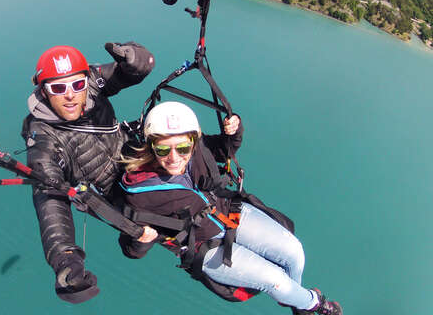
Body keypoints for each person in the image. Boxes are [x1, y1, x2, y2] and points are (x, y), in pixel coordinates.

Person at [116, 101, 342, 315]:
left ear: (193, 142)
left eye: (183, 148)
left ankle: (294, 299)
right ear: (151, 146)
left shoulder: (199, 151)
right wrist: (141, 241)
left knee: (294, 252)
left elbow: (225, 150)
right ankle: (313, 305)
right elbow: (130, 248)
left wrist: (234, 131)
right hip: (205, 245)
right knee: (276, 280)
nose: (175, 158)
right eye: (163, 150)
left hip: (229, 213)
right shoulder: (141, 193)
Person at [21, 42, 155, 304]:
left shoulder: (91, 80)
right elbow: (49, 199)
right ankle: (135, 243)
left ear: (85, 80)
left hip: (135, 156)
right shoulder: (43, 140)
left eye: (77, 85)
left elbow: (134, 70)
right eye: (58, 88)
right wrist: (65, 260)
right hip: (117, 193)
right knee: (147, 228)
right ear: (43, 91)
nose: (70, 95)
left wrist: (134, 58)